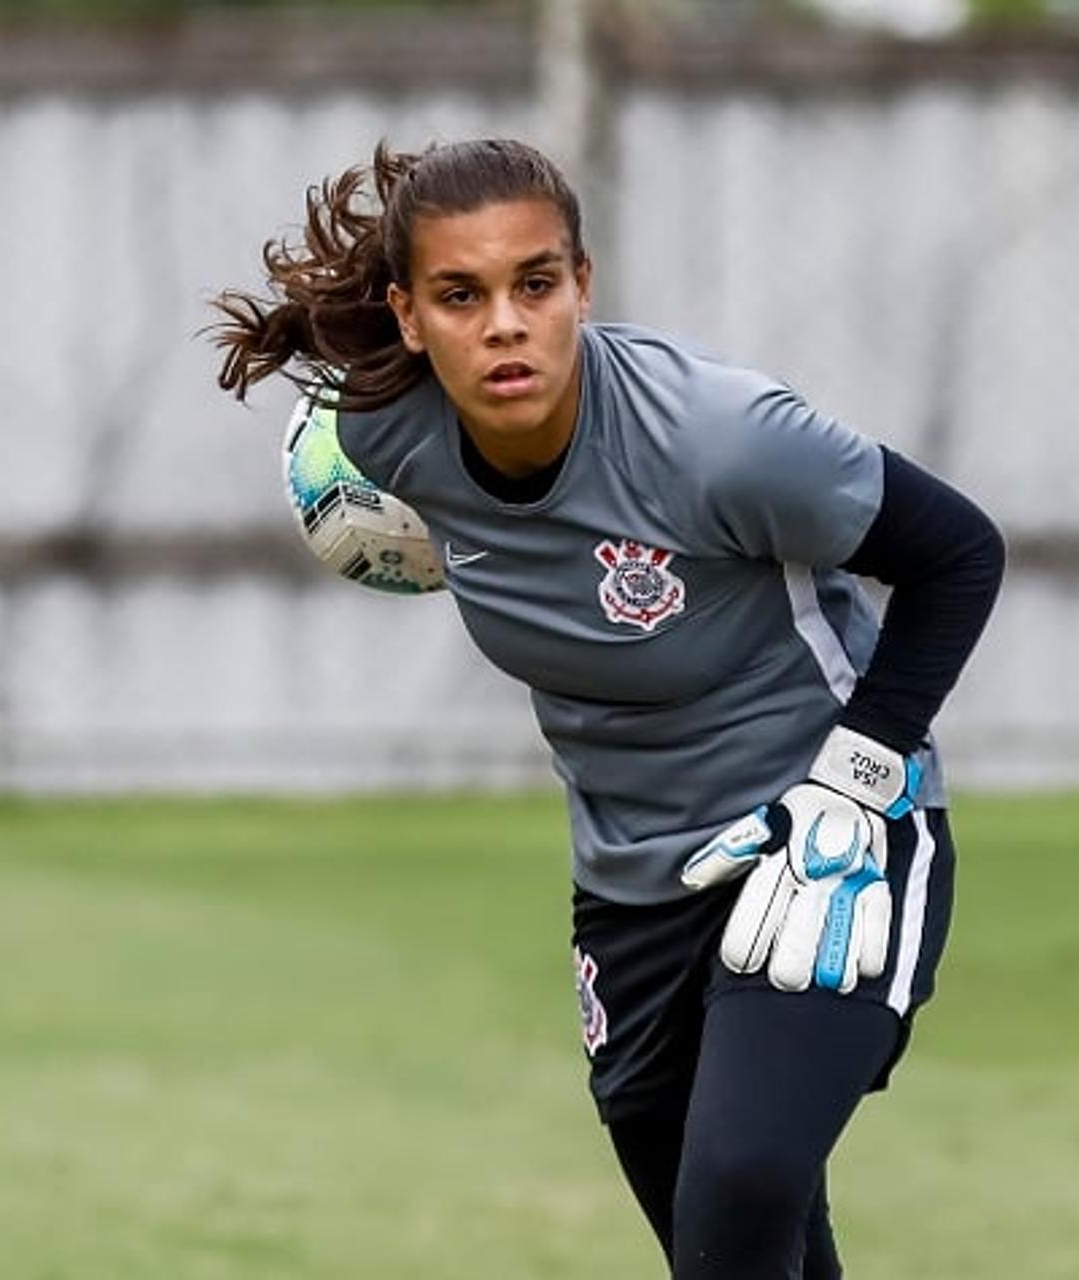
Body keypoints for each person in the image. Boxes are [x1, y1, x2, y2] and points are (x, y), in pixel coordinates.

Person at [208, 139, 1004, 1278]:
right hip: (632, 884)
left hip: (824, 838)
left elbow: (961, 554)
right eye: (460, 294)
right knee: (728, 1242)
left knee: (743, 1182)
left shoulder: (722, 439)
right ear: (409, 312)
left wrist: (860, 773)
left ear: (583, 281)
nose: (504, 324)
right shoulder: (384, 440)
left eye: (535, 283)